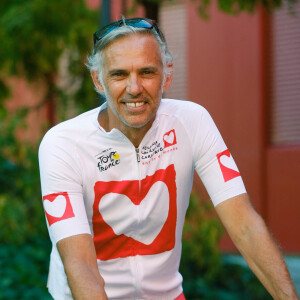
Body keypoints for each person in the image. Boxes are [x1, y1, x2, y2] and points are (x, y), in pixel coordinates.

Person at [39, 17, 298, 300]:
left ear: (168, 74)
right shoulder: (63, 144)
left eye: (147, 72)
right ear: (98, 81)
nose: (134, 88)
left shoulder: (192, 121)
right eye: (119, 74)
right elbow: (79, 262)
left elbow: (245, 225)